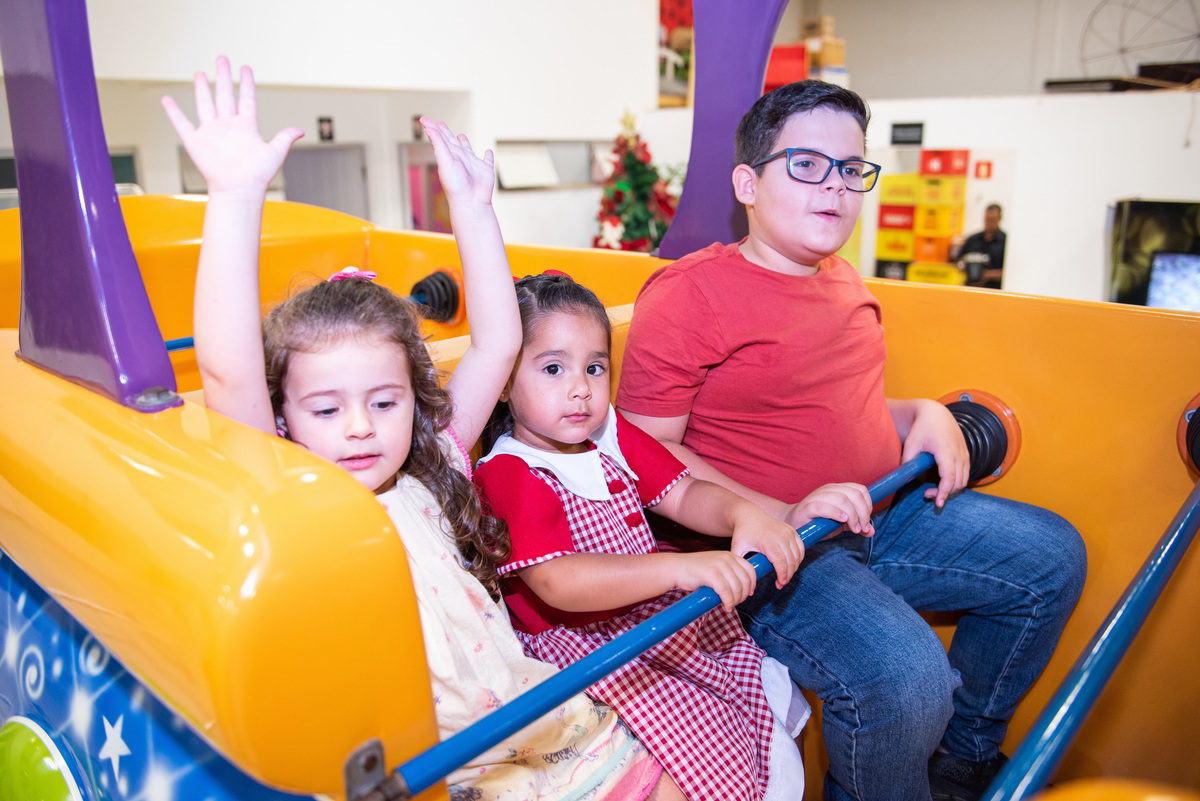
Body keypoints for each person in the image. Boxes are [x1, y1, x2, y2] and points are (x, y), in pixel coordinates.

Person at [163, 57, 688, 801]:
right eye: (326, 409)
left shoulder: (431, 464)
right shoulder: (292, 494)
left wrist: (473, 209)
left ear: (416, 399)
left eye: (385, 402)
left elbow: (498, 343)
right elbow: (227, 374)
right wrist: (235, 195)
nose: (359, 428)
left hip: (537, 719)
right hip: (449, 765)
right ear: (283, 416)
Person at [615, 80, 1087, 801]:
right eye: (807, 164)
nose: (835, 186)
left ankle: (961, 761)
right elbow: (643, 452)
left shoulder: (841, 279)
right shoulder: (689, 295)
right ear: (747, 183)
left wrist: (920, 412)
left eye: (851, 168)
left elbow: (838, 407)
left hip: (879, 513)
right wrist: (778, 511)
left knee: (1051, 557)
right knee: (907, 678)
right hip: (777, 554)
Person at [473, 273, 811, 801]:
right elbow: (558, 582)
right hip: (592, 655)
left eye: (595, 367)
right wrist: (677, 568)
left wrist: (744, 515)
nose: (580, 389)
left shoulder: (607, 434)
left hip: (662, 630)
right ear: (501, 383)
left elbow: (684, 492)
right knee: (692, 760)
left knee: (763, 715)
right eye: (554, 368)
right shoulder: (510, 471)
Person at [953, 203, 1006, 288]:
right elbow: (958, 261)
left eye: (992, 219)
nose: (989, 223)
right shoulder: (972, 240)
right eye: (987, 219)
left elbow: (1011, 272)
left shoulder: (1005, 242)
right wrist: (964, 268)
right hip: (970, 288)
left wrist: (986, 275)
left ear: (999, 218)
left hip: (993, 290)